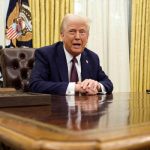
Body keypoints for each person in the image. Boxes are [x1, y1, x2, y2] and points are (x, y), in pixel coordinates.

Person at [29, 14, 113, 95]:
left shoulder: (92, 58)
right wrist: (75, 87)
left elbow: (108, 83)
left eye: (82, 32)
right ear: (62, 35)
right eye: (72, 31)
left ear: (87, 37)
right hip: (57, 108)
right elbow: (35, 84)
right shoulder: (46, 54)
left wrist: (97, 86)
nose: (77, 37)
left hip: (85, 108)